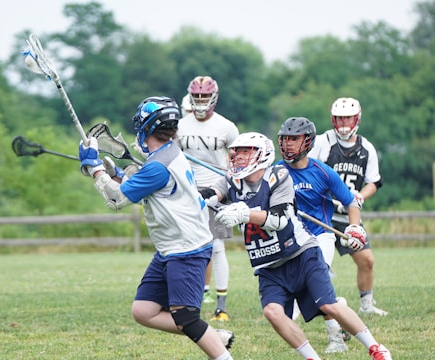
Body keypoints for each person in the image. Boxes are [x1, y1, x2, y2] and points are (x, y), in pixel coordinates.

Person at [200, 132, 393, 360]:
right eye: (237, 153)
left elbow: (278, 219)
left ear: (262, 156)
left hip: (301, 253)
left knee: (329, 305)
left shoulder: (279, 176)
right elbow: (209, 194)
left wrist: (243, 213)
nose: (239, 158)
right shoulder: (231, 180)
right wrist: (196, 197)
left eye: (246, 153)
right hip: (269, 263)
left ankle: (376, 348)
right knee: (272, 312)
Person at [78, 96, 234, 360]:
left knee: (185, 316)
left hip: (186, 249)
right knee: (144, 310)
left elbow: (118, 199)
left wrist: (94, 168)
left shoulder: (158, 166)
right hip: (170, 249)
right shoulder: (167, 155)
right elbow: (148, 189)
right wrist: (117, 175)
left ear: (147, 127)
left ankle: (211, 343)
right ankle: (208, 334)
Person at [276, 117, 365, 353]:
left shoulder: (323, 172)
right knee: (298, 305)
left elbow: (351, 202)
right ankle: (339, 306)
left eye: (293, 139)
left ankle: (337, 340)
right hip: (291, 239)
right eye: (285, 139)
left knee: (314, 289)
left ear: (306, 142)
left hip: (320, 237)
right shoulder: (275, 171)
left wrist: (354, 228)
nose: (287, 144)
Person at [308, 97, 388, 316]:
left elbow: (374, 182)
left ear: (357, 119)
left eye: (348, 118)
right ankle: (312, 304)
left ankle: (367, 305)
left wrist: (360, 198)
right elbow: (307, 170)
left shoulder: (366, 148)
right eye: (339, 118)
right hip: (321, 213)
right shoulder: (322, 142)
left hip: (348, 215)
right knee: (317, 264)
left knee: (366, 259)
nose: (343, 123)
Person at [176, 75, 239, 322]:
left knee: (216, 247)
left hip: (217, 190)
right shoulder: (180, 125)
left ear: (213, 97)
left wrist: (230, 186)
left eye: (205, 96)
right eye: (197, 96)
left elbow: (237, 161)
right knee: (186, 244)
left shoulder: (227, 127)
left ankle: (221, 306)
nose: (201, 101)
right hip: (188, 191)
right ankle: (190, 298)